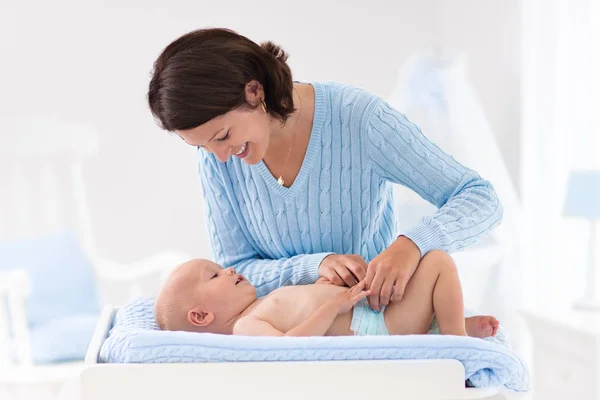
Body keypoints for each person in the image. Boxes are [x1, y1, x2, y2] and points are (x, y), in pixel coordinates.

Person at [147, 28, 503, 312]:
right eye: (203, 146)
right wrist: (314, 266)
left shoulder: (358, 120)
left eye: (223, 136)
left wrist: (412, 244)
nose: (220, 157)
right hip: (288, 342)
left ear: (254, 92)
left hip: (370, 329)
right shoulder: (216, 157)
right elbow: (238, 269)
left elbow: (480, 199)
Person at [155, 253, 499, 338]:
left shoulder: (261, 304)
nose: (228, 270)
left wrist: (323, 286)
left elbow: (301, 310)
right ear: (201, 316)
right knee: (438, 262)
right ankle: (456, 341)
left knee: (429, 266)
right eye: (214, 275)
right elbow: (293, 346)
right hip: (373, 325)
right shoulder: (245, 327)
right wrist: (336, 304)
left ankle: (447, 325)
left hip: (371, 311)